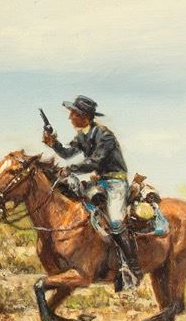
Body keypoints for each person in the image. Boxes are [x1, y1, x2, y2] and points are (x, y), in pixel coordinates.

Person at [43, 95, 139, 291]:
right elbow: (67, 153)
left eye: (73, 114)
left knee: (115, 221)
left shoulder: (105, 135)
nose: (70, 117)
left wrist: (71, 169)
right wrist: (53, 143)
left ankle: (133, 268)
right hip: (99, 183)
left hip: (115, 182)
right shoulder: (82, 135)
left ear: (84, 116)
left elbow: (95, 161)